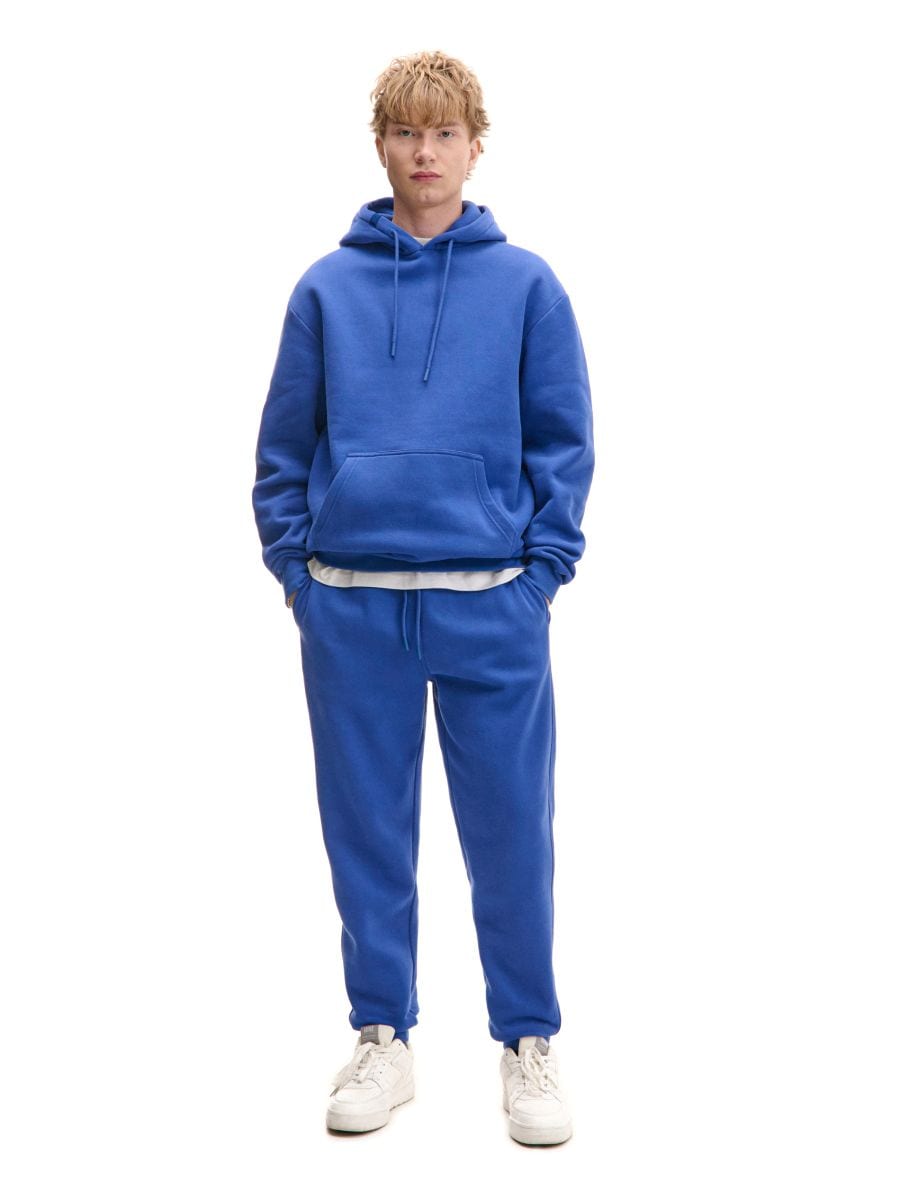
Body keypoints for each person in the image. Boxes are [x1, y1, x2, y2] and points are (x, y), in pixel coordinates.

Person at [252, 49, 594, 1145]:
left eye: (445, 133)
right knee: (366, 836)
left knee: (513, 835)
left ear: (474, 147)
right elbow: (282, 448)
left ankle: (527, 1044)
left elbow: (563, 443)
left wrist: (540, 577)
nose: (426, 152)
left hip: (489, 605)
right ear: (382, 146)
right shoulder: (327, 288)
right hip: (353, 610)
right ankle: (382, 1037)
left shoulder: (527, 286)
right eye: (407, 132)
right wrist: (300, 577)